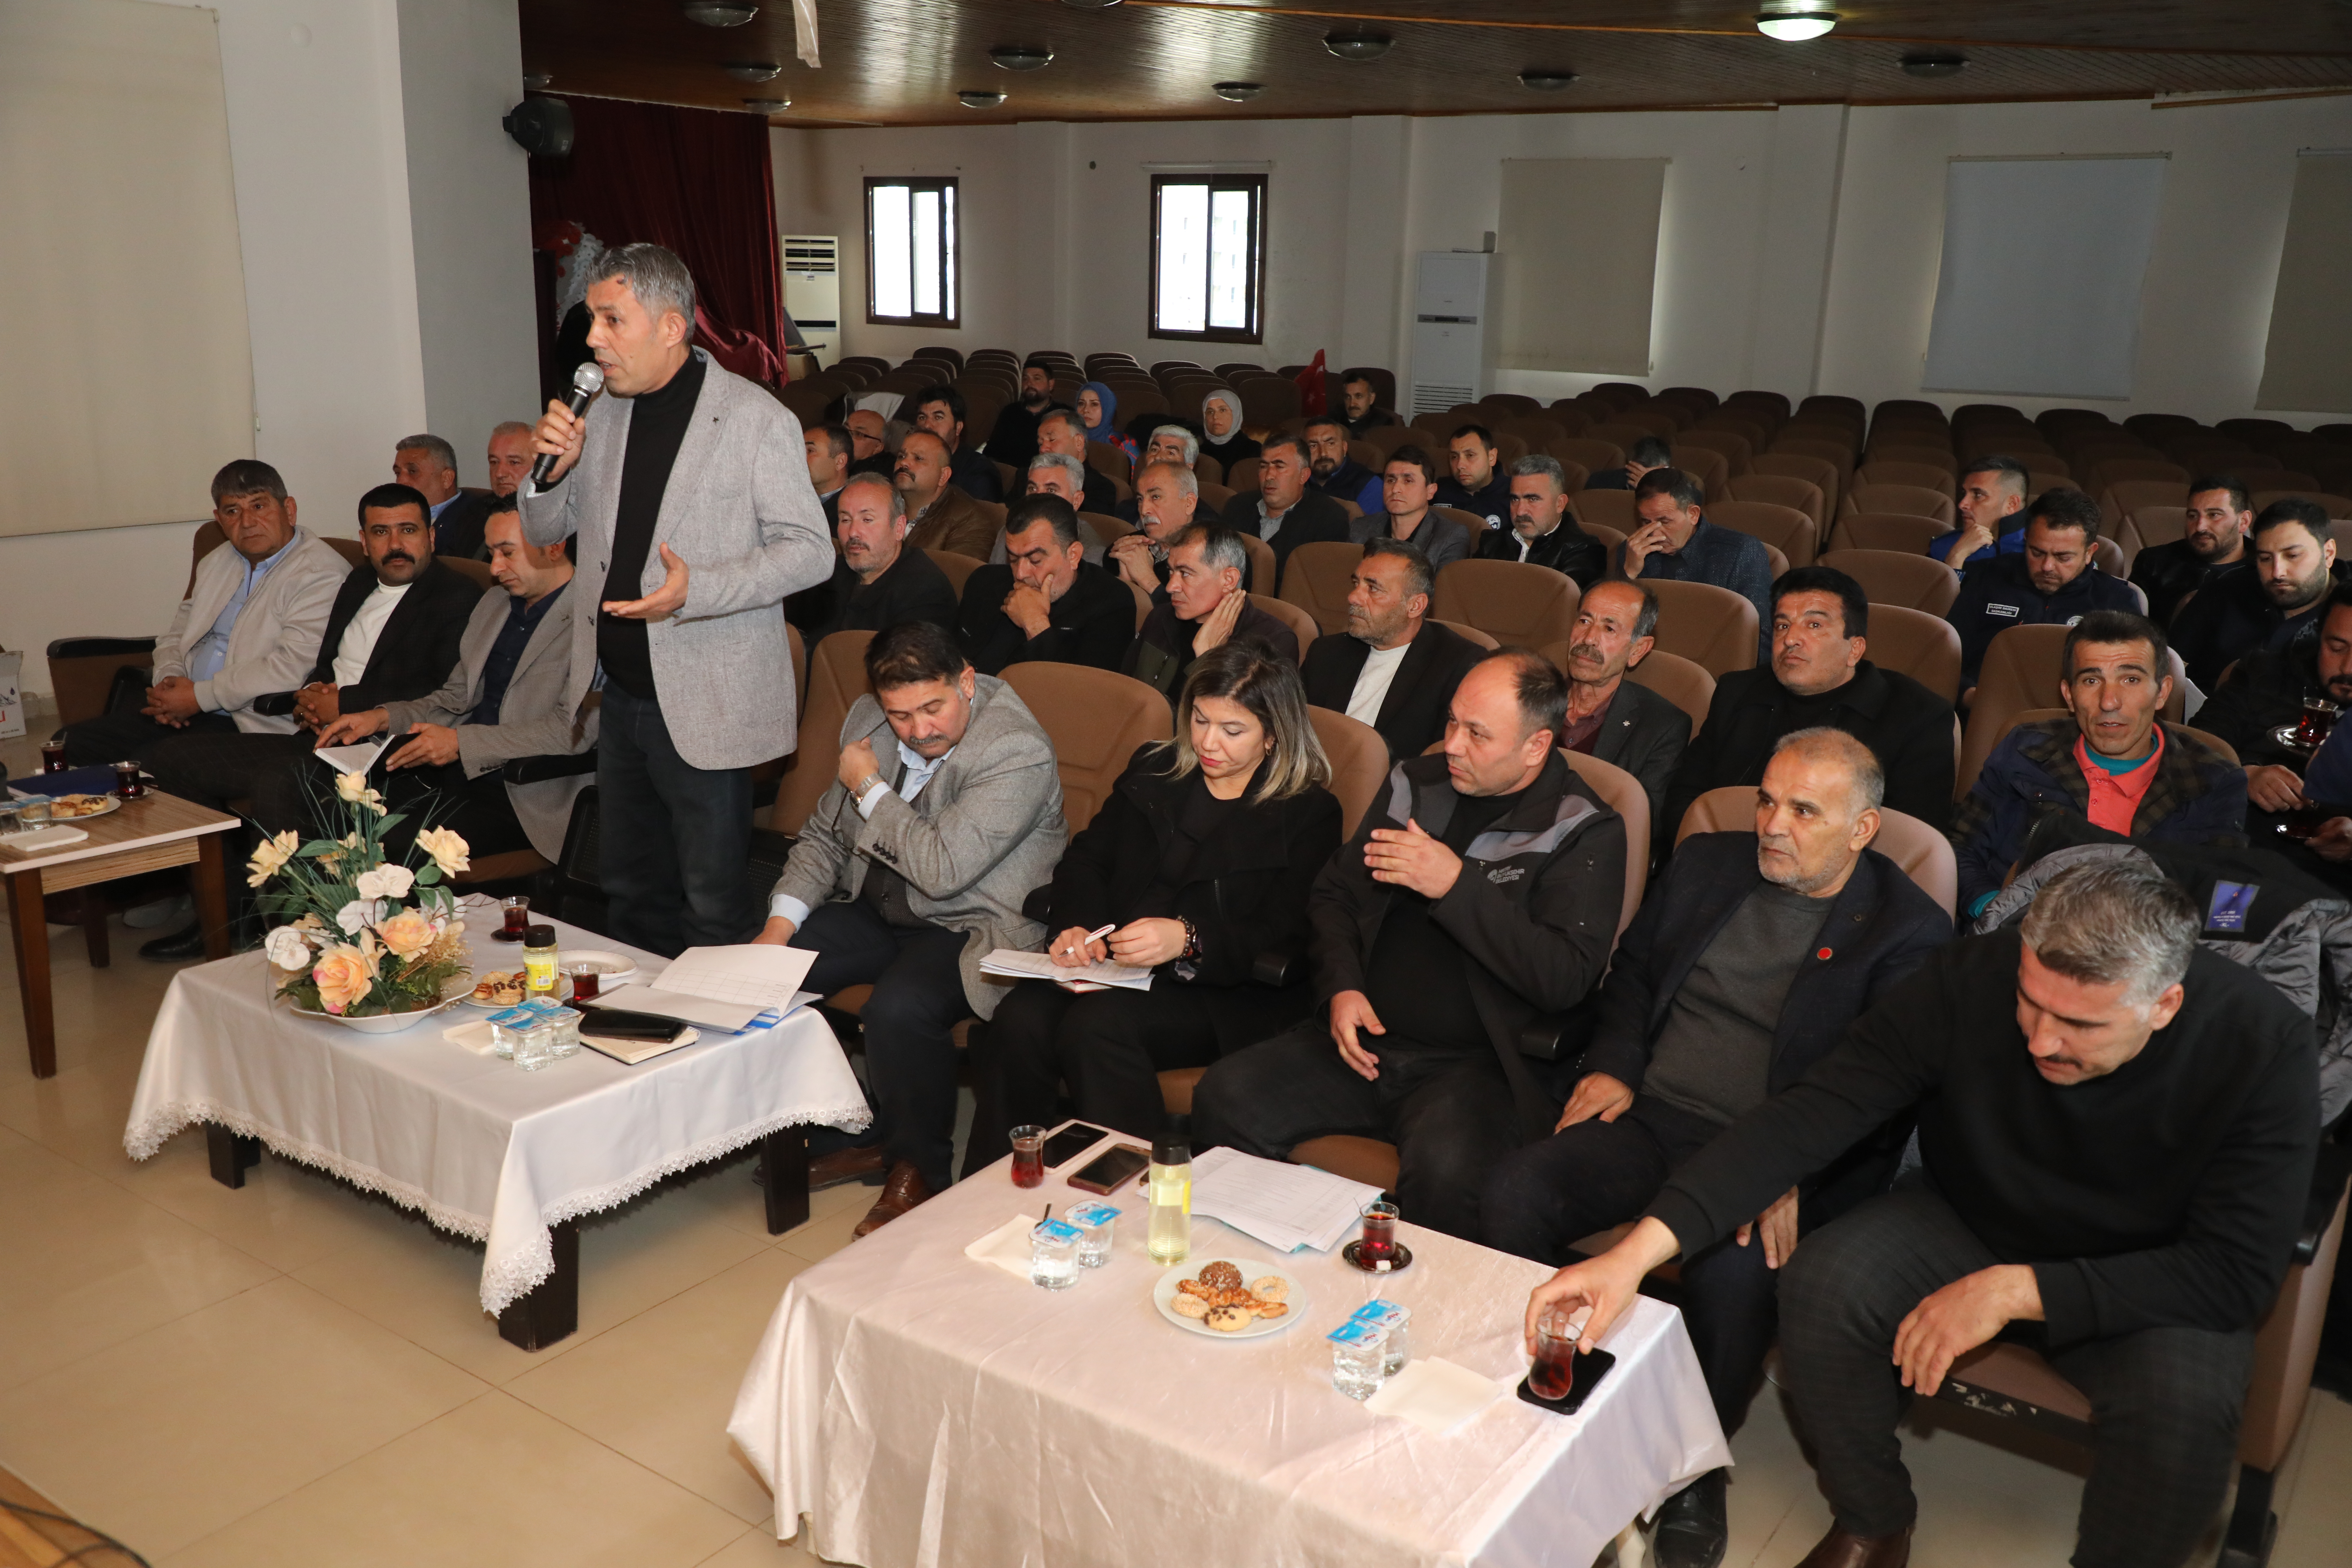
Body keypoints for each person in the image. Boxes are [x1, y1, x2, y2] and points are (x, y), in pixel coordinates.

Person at [1528, 858, 2318, 1568]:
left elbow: (2236, 1274)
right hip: (1973, 1214)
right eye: (2031, 1002)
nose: (2042, 1039)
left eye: (2081, 1024)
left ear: (2165, 1004)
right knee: (1823, 1284)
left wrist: (2014, 1290)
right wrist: (1633, 1255)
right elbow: (1815, 1111)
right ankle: (1874, 1519)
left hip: (2149, 1269)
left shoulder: (2263, 1043)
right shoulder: (1970, 976)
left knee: (2185, 1414)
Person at [1486, 730, 1949, 1568]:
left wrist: (1791, 1170)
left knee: (1735, 1275)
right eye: (1767, 799)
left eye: (1805, 811)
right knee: (1518, 1188)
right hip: (1654, 1116)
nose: (1773, 823)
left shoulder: (1907, 934)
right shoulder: (1706, 864)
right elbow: (1630, 976)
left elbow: (1883, 1099)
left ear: (1863, 830)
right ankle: (1552, 1397)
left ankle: (1694, 1464)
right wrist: (1619, 1066)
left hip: (1771, 1155)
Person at [1192, 650, 1627, 1241]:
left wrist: (1454, 885)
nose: (1452, 745)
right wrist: (1342, 988)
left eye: (1477, 734)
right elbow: (1335, 896)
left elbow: (1564, 976)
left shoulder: (1582, 828)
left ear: (1536, 745)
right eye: (1451, 723)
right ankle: (1257, 1278)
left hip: (1477, 1068)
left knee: (1450, 1175)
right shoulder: (1414, 785)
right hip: (1365, 1041)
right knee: (1227, 1096)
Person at [524, 241, 833, 958]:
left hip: (708, 700)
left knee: (712, 907)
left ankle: (717, 1063)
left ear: (670, 326)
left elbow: (811, 551)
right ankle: (644, 1049)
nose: (594, 338)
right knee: (630, 895)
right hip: (621, 696)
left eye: (611, 320)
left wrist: (702, 588)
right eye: (592, 320)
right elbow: (546, 532)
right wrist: (547, 477)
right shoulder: (601, 410)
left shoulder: (756, 420)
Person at [968, 645, 1344, 1167]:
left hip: (1221, 991)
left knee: (1097, 1026)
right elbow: (1088, 860)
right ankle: (1005, 1182)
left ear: (1274, 733)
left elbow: (1288, 931)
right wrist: (1077, 926)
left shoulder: (1308, 812)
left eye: (1233, 731)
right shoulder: (1156, 768)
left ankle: (1131, 1194)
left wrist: (1190, 938)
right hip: (1118, 965)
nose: (1209, 742)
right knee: (1020, 1017)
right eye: (1200, 719)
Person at [755, 621, 1068, 1233]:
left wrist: (869, 788)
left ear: (968, 683)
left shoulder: (1015, 749)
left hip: (972, 922)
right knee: (774, 969)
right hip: (880, 905)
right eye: (901, 715)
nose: (919, 729)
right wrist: (777, 927)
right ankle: (863, 1129)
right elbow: (824, 836)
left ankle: (919, 1168)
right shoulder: (869, 721)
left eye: (934, 707)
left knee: (901, 1007)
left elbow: (943, 869)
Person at [135, 484, 484, 955]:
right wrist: (311, 696)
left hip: (390, 751)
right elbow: (328, 662)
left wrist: (346, 703)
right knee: (171, 759)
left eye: (408, 531)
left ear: (432, 537)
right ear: (364, 540)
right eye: (381, 532)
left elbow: (443, 691)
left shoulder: (457, 597)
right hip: (325, 738)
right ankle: (231, 912)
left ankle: (298, 936)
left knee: (280, 782)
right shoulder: (360, 582)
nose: (395, 545)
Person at [306, 501, 593, 862]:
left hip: (531, 797)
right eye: (491, 554)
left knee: (392, 844)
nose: (495, 568)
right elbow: (457, 696)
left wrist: (461, 742)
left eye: (507, 553)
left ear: (554, 546)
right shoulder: (496, 602)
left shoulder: (595, 618)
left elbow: (571, 732)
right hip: (459, 782)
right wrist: (380, 717)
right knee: (334, 816)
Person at [1952, 611, 2245, 918]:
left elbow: (2229, 903)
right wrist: (1992, 910)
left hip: (2150, 951)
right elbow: (1961, 847)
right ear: (2069, 695)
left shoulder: (2214, 779)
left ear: (2162, 693)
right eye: (2091, 680)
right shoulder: (2025, 750)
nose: (2109, 702)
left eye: (2130, 680)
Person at [58, 459, 344, 771]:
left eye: (259, 506)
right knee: (69, 743)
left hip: (251, 720)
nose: (247, 522)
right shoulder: (218, 560)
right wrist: (170, 681)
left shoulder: (320, 573)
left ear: (289, 509)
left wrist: (198, 697)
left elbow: (290, 669)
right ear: (219, 519)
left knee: (155, 760)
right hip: (191, 706)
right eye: (233, 511)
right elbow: (177, 634)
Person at [1666, 566, 1956, 837]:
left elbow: (1905, 842)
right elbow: (1685, 799)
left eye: (1814, 625)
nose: (1791, 639)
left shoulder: (1918, 718)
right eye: (1782, 626)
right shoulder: (1736, 692)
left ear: (1855, 650)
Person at [2190, 582, 2352, 837]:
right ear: (2319, 636)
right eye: (2337, 648)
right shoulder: (2262, 673)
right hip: (2234, 838)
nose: (2347, 668)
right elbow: (2192, 746)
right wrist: (2244, 774)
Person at [1300, 539, 1485, 761]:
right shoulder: (1327, 652)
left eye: (1373, 588)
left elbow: (1439, 762)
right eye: (1356, 584)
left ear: (1415, 606)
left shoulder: (1460, 666)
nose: (1353, 597)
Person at [1946, 489, 2140, 698]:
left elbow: (2133, 681)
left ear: (2089, 553)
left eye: (2063, 557)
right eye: (2037, 553)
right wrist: (1969, 696)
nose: (2047, 566)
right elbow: (1946, 658)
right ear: (2026, 539)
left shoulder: (2117, 600)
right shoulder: (1987, 578)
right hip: (1980, 706)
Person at [2171, 499, 2350, 692]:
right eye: (2265, 559)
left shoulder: (2346, 609)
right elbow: (2171, 670)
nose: (2277, 572)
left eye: (2293, 556)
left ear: (2329, 554)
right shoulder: (2222, 594)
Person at [1554, 579, 1692, 828]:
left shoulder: (1662, 727)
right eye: (1584, 622)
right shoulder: (1531, 695)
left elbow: (1642, 825)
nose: (1588, 639)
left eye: (1609, 629)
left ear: (1638, 650)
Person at [955, 495, 1136, 675]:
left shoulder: (1112, 604)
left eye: (1035, 560)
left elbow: (1081, 695)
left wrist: (1036, 624)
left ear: (1073, 555)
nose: (1020, 574)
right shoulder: (985, 582)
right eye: (1013, 558)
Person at [1125, 525, 1299, 703]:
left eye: (1185, 573)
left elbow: (1230, 723)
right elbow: (1126, 693)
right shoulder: (1161, 618)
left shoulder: (1273, 641)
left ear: (1229, 580)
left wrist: (1208, 656)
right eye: (1171, 572)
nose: (1170, 587)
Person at [1618, 468, 1775, 664]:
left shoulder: (1740, 553)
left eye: (1664, 521)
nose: (1654, 533)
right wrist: (1629, 573)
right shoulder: (1633, 551)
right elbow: (1612, 626)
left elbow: (1761, 639)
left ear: (1693, 514)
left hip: (1715, 668)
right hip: (1644, 663)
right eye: (1645, 522)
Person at [785, 472, 959, 645]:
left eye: (867, 520)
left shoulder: (926, 591)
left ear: (899, 528)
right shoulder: (831, 571)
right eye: (845, 520)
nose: (853, 532)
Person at [1217, 432, 1350, 578]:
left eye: (1279, 467)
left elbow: (1317, 584)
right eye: (1264, 466)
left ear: (1303, 476)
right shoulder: (1237, 506)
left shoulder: (1329, 518)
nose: (1269, 476)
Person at [2129, 474, 2252, 629]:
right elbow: (2128, 632)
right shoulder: (2154, 563)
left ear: (2244, 521)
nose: (2200, 527)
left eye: (2214, 515)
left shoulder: (2264, 569)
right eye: (2193, 516)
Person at [1477, 455, 1605, 587]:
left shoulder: (1584, 551)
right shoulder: (1491, 543)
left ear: (1560, 504)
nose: (1520, 511)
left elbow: (1562, 604)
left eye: (1532, 499)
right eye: (1515, 499)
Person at [1349, 447, 1470, 570]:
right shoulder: (1360, 529)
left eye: (1408, 481)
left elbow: (1443, 589)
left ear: (1430, 491)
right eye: (1391, 480)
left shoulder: (1450, 537)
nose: (1396, 489)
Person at [895, 428, 996, 560]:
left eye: (918, 458)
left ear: (944, 476)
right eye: (901, 456)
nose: (904, 463)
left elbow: (955, 578)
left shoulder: (970, 523)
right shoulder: (881, 501)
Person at [1107, 460, 1200, 602]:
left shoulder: (1215, 556)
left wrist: (1148, 581)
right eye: (1140, 499)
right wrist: (1126, 584)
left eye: (1156, 497)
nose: (1144, 510)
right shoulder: (1128, 550)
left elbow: (1199, 621)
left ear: (1189, 503)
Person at [395, 434, 495, 561]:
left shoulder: (477, 519)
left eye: (413, 472)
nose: (401, 481)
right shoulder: (394, 516)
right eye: (398, 473)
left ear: (447, 479)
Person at [1931, 455, 2030, 571]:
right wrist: (1957, 556)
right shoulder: (1944, 547)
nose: (1962, 504)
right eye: (1965, 493)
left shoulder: (2041, 550)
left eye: (1978, 495)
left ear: (2012, 505)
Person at [907, 384, 1003, 503]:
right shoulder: (907, 463)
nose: (927, 425)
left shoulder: (979, 473)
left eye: (938, 417)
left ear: (958, 428)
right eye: (922, 418)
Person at [983, 357, 1068, 469]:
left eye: (1037, 378)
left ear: (1051, 384)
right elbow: (992, 453)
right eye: (1025, 379)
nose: (1029, 383)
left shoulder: (1064, 415)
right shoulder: (1010, 412)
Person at [1036, 407, 1120, 515]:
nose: (1043, 449)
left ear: (1079, 442)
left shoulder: (1101, 489)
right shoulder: (1026, 478)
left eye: (1052, 440)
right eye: (1040, 443)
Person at [1435, 424, 1513, 529]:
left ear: (1492, 457)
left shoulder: (1514, 494)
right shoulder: (1439, 491)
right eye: (1454, 457)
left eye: (1470, 455)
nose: (1460, 465)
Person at [1304, 416, 1382, 516]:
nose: (1323, 453)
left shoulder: (1369, 484)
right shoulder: (1296, 481)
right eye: (1313, 446)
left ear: (1344, 448)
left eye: (1331, 444)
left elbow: (1374, 529)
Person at [1579, 435, 1673, 493]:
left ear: (1667, 469)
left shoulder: (1680, 487)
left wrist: (1650, 488)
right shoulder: (1599, 482)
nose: (1641, 475)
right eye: (1637, 470)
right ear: (1629, 465)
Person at [1075, 381, 1138, 467]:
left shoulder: (1125, 444)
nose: (1086, 410)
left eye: (1094, 404)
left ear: (1108, 409)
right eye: (1081, 404)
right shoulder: (1068, 440)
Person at [804, 420, 852, 528]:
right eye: (800, 450)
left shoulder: (852, 509)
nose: (800, 457)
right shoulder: (795, 499)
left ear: (840, 461)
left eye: (810, 451)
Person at [1198, 388, 1259, 472]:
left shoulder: (1254, 452)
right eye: (1210, 412)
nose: (1215, 417)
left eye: (1223, 410)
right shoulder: (1196, 452)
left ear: (1236, 414)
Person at [485, 422, 536, 501]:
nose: (499, 474)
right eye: (494, 462)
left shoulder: (557, 511)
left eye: (514, 463)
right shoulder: (475, 511)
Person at [1338, 370, 1398, 436]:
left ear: (1372, 399)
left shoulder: (1383, 424)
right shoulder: (1334, 419)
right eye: (1348, 397)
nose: (1352, 404)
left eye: (1359, 397)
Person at [844, 408, 894, 478]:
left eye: (859, 434)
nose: (847, 436)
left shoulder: (878, 476)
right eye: (845, 429)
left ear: (878, 448)